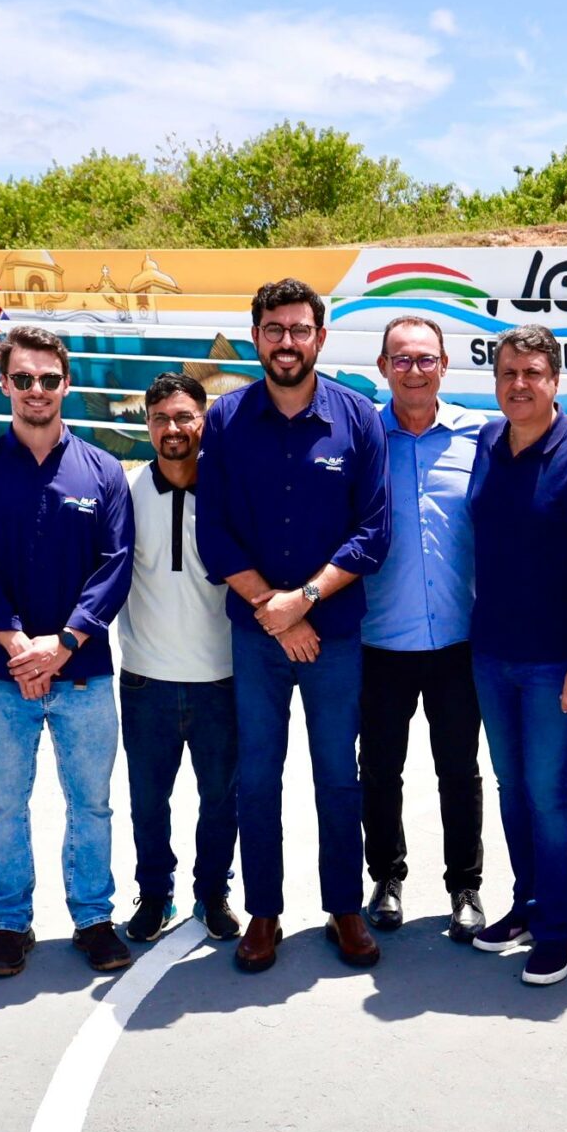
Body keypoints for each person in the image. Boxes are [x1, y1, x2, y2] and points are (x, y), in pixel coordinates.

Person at [195, 277, 390, 973]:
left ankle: (344, 907)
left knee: (338, 774)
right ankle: (264, 912)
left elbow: (373, 533)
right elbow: (214, 533)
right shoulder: (226, 420)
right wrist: (274, 613)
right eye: (274, 329)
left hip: (333, 635)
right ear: (256, 338)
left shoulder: (358, 418)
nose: (287, 342)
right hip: (258, 636)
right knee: (258, 776)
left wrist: (302, 600)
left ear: (320, 337)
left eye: (299, 329)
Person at [0, 325, 137, 976]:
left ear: (66, 384)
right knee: (6, 806)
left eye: (48, 379)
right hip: (2, 675)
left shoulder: (103, 471)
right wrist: (18, 645)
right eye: (23, 378)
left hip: (84, 672)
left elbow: (116, 564)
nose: (36, 389)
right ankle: (9, 924)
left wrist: (65, 642)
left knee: (92, 805)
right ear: (4, 384)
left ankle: (94, 919)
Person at [464, 325, 567, 987]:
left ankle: (557, 929)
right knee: (511, 787)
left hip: (554, 662)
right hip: (491, 652)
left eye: (532, 373)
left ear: (556, 380)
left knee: (547, 793)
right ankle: (526, 905)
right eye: (508, 373)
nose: (519, 384)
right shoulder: (488, 442)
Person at [359, 316, 486, 942]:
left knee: (459, 771)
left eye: (426, 359)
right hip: (379, 640)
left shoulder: (480, 437)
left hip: (459, 640)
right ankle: (386, 877)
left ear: (444, 365)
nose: (415, 370)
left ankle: (466, 886)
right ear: (383, 367)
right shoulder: (361, 438)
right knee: (380, 772)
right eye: (402, 359)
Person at [114, 372, 242, 949]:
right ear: (147, 425)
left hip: (220, 678)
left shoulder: (230, 490)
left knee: (220, 800)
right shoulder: (125, 492)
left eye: (184, 416)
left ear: (203, 421)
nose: (173, 428)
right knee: (148, 801)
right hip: (147, 681)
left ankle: (213, 892)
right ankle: (153, 892)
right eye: (161, 418)